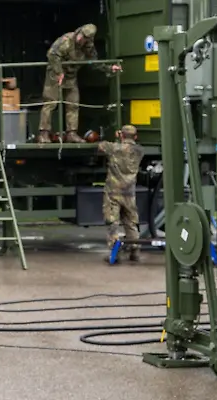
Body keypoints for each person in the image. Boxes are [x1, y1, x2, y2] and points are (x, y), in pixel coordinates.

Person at [37, 23, 122, 144]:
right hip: (55, 74)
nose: (80, 38)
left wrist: (109, 68)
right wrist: (59, 72)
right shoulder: (66, 40)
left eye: (84, 37)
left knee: (73, 104)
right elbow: (52, 54)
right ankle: (43, 133)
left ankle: (72, 133)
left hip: (71, 76)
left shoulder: (88, 47)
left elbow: (94, 61)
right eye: (80, 35)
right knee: (50, 103)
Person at [98, 124, 145, 264]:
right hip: (130, 192)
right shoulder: (140, 151)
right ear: (135, 137)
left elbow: (101, 146)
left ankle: (115, 253)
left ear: (121, 135)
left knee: (113, 222)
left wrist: (116, 139)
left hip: (114, 192)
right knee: (131, 222)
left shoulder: (114, 148)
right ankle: (135, 250)